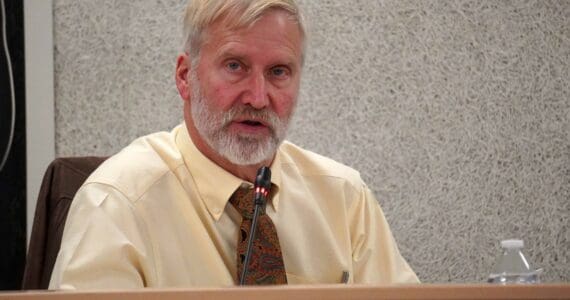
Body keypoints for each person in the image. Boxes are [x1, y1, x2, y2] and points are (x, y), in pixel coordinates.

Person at [49, 0, 419, 289]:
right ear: (185, 77)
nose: (258, 98)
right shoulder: (116, 203)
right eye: (235, 66)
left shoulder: (344, 198)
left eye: (278, 72)